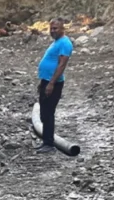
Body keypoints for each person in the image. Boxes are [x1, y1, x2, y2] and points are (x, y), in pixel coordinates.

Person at [36, 17, 73, 153]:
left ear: (63, 28)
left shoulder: (65, 43)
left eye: (55, 28)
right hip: (47, 81)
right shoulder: (56, 42)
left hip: (54, 83)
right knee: (43, 113)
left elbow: (62, 64)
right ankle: (46, 141)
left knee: (48, 113)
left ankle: (49, 144)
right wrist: (43, 82)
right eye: (51, 28)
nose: (52, 31)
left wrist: (51, 83)